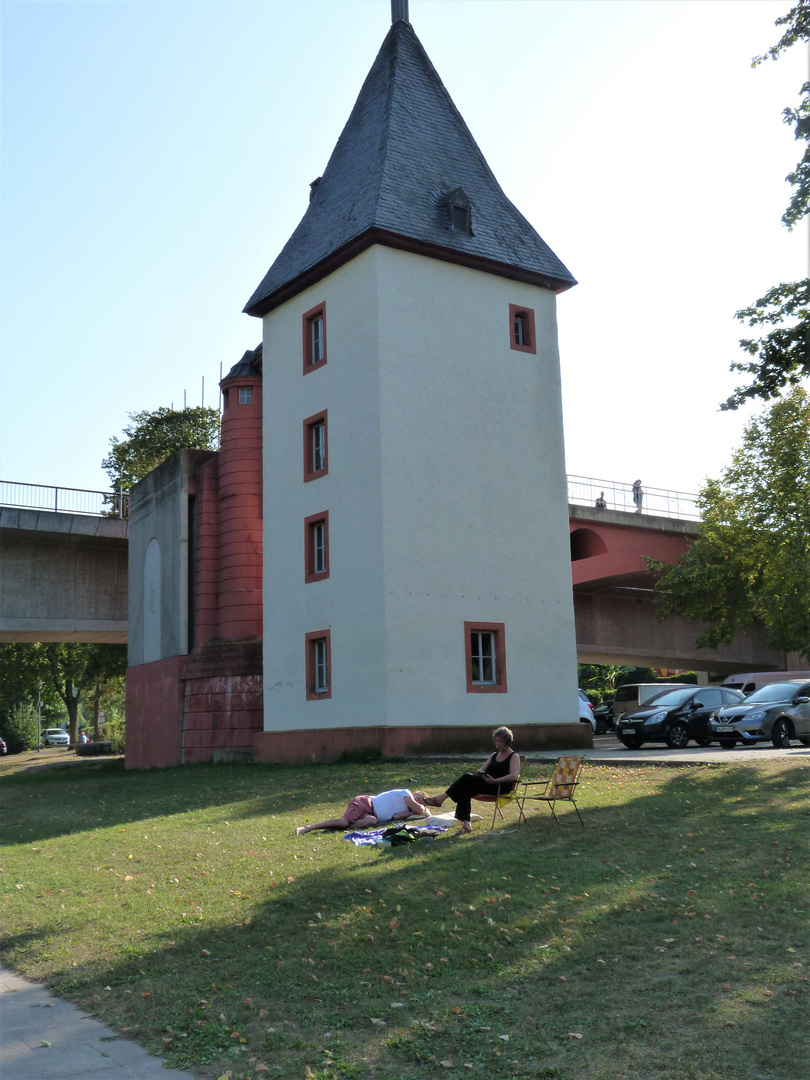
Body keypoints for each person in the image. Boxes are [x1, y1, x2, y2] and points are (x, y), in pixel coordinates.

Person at [422, 727, 520, 833]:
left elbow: (513, 776)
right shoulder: (494, 755)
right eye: (496, 741)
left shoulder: (514, 756)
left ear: (508, 741)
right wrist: (481, 773)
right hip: (487, 783)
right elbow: (483, 769)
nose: (498, 744)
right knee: (465, 788)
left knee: (466, 778)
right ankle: (466, 825)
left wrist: (495, 780)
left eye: (501, 741)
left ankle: (441, 799)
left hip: (500, 787)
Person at [295, 788, 431, 835]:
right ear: (415, 794)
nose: (418, 803)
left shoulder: (405, 808)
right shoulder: (405, 793)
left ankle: (343, 825)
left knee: (372, 821)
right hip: (366, 802)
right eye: (419, 799)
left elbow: (396, 817)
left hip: (371, 815)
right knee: (343, 822)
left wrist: (413, 813)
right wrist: (422, 809)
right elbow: (419, 810)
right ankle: (308, 828)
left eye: (421, 802)